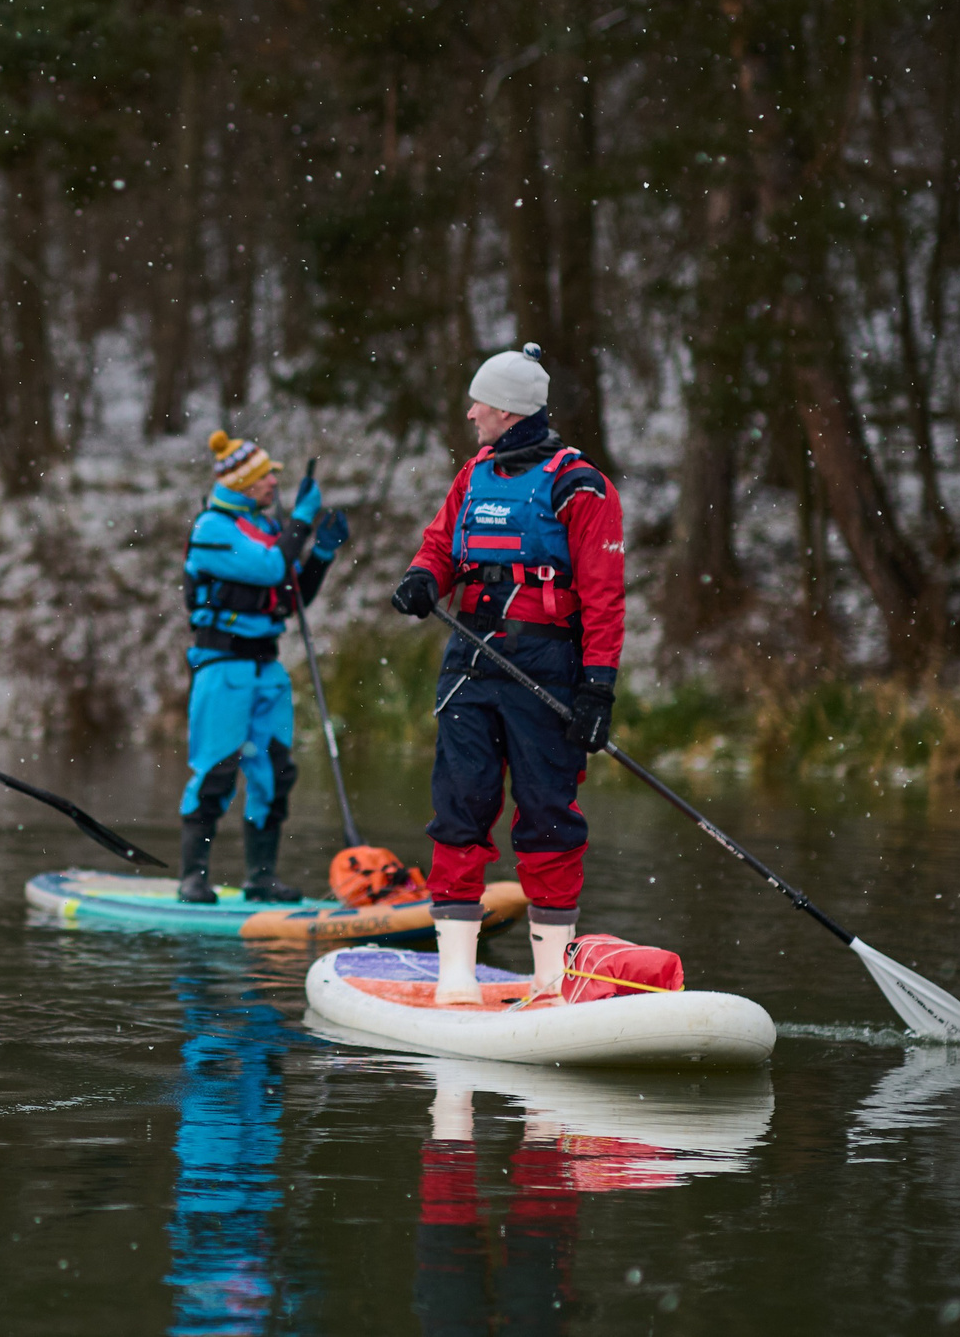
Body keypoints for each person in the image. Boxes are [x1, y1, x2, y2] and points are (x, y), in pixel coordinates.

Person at [388, 344, 625, 1002]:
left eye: (479, 404)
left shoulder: (581, 486)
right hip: (470, 659)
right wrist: (422, 578)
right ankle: (456, 980)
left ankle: (551, 980)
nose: (470, 413)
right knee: (459, 808)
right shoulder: (474, 474)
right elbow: (441, 544)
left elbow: (604, 598)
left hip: (547, 667)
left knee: (548, 816)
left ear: (508, 410)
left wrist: (598, 688)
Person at [177, 430, 350, 904]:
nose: (275, 481)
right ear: (242, 483)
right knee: (216, 772)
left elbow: (292, 597)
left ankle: (261, 877)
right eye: (265, 475)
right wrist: (301, 521)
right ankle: (193, 877)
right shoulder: (212, 530)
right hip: (222, 667)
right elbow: (272, 569)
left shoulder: (266, 528)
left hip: (267, 669)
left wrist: (322, 553)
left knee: (275, 773)